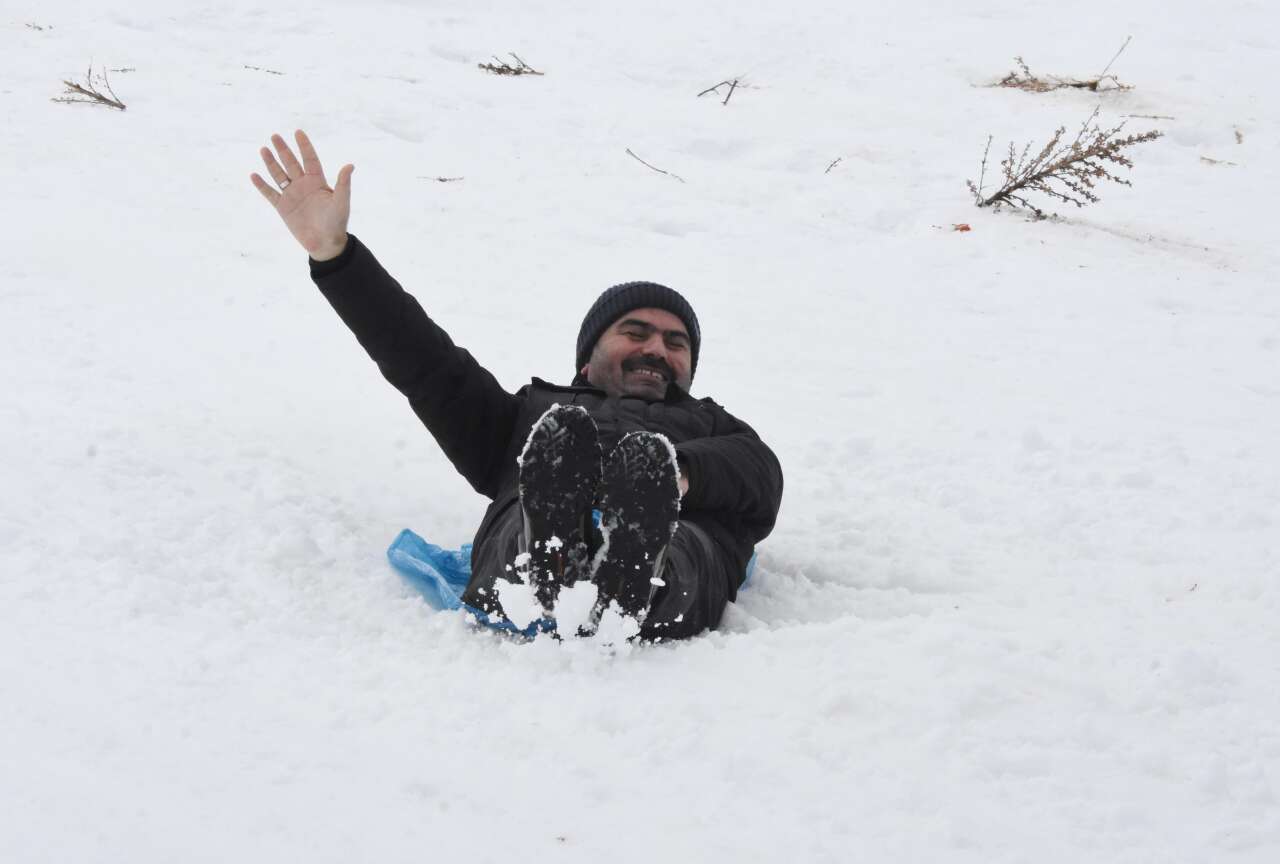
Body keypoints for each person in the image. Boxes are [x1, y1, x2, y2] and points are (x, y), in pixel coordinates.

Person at [250, 130, 783, 640]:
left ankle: (637, 570)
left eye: (676, 343)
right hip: (539, 507)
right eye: (636, 333)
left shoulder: (715, 426)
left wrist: (676, 474)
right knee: (537, 479)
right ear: (585, 361)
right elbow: (425, 363)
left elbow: (759, 477)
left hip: (674, 541)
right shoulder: (529, 418)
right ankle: (546, 556)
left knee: (687, 543)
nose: (657, 350)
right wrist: (337, 258)